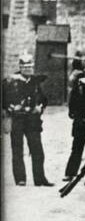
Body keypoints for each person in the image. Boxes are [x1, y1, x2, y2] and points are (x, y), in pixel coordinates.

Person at [4, 55, 51, 186]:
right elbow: (4, 99)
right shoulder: (10, 82)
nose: (27, 69)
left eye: (29, 67)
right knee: (17, 150)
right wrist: (10, 107)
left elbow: (43, 99)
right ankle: (20, 179)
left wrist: (40, 107)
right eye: (24, 67)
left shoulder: (35, 82)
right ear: (19, 67)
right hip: (17, 119)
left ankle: (40, 179)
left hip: (32, 120)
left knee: (37, 150)